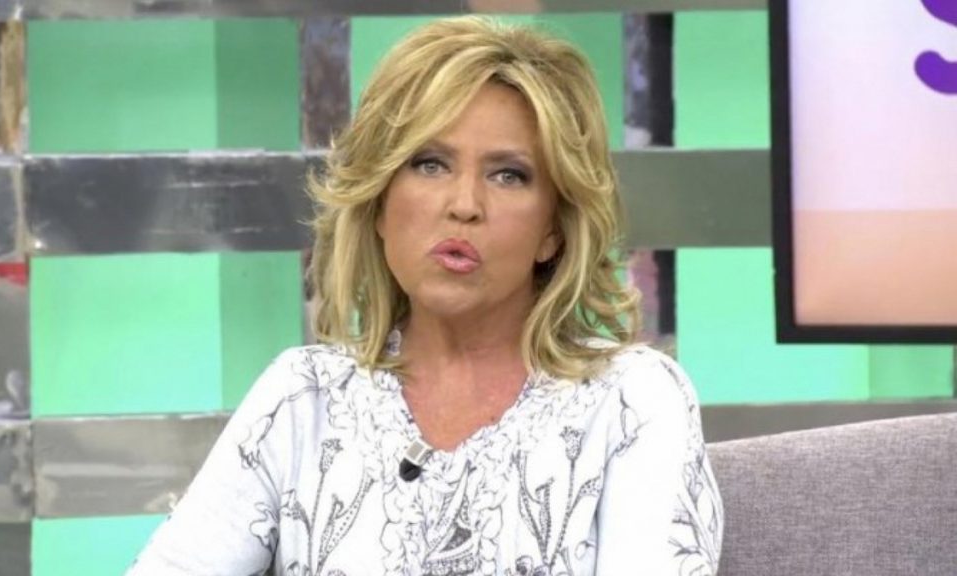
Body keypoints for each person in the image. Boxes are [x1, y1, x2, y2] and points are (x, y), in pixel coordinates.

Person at [128, 16, 723, 576]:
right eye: (430, 164)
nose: (464, 204)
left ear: (553, 229)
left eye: (508, 174)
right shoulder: (304, 397)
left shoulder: (630, 400)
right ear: (379, 201)